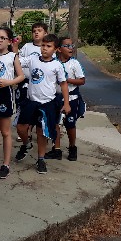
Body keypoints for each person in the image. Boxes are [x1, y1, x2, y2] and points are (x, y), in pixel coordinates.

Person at [15, 34, 71, 174]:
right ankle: (26, 145)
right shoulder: (33, 59)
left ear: (56, 49)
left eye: (48, 46)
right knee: (21, 127)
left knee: (41, 132)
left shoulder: (57, 65)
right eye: (43, 45)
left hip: (47, 104)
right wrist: (15, 46)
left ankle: (41, 159)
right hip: (31, 101)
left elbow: (63, 84)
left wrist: (67, 103)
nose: (44, 49)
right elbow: (17, 61)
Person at [0, 27, 24, 179]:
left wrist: (9, 82)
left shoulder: (13, 56)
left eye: (2, 38)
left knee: (5, 131)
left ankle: (6, 164)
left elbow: (21, 76)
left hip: (5, 95)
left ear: (9, 41)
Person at [46, 36, 86, 161]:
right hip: (55, 98)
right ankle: (56, 149)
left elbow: (82, 80)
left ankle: (72, 147)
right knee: (55, 123)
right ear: (59, 49)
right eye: (67, 46)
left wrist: (66, 80)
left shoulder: (74, 63)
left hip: (71, 98)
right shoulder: (53, 62)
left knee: (70, 124)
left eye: (71, 46)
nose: (70, 48)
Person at [12, 22, 49, 144]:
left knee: (37, 107)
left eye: (39, 30)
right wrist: (15, 47)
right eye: (34, 31)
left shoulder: (47, 48)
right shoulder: (27, 47)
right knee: (22, 104)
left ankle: (35, 130)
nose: (36, 33)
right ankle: (25, 130)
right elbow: (18, 60)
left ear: (46, 33)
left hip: (40, 84)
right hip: (25, 82)